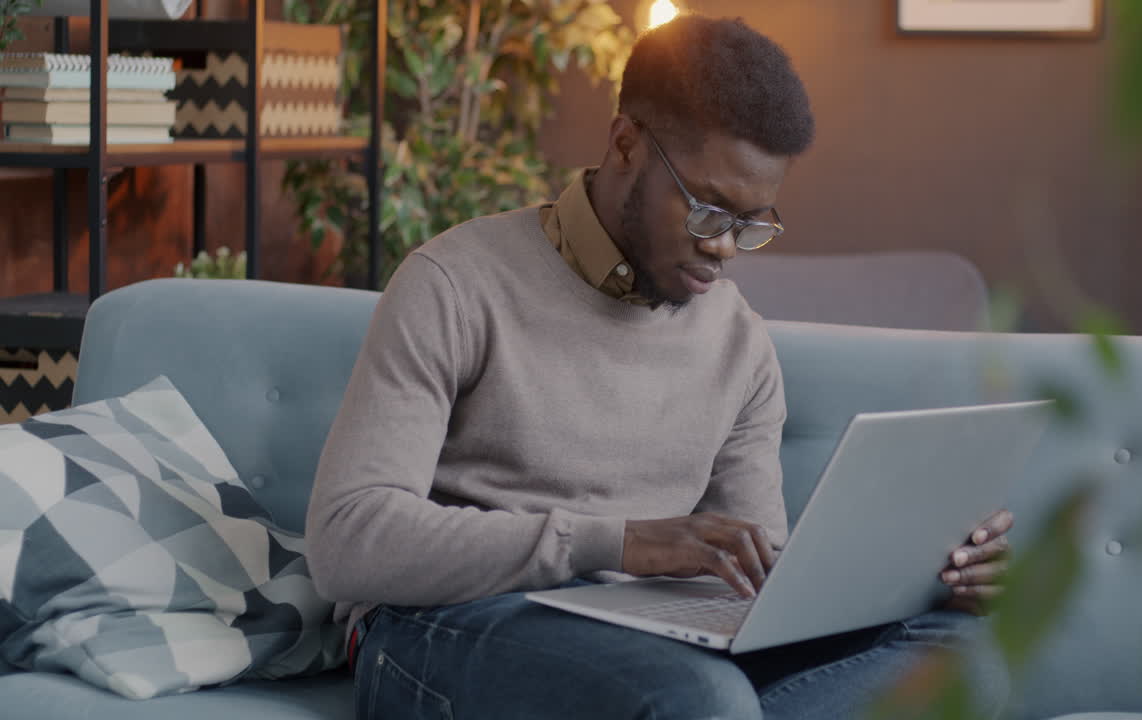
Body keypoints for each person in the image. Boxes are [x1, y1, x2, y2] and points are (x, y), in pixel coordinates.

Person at [306, 14, 1012, 720]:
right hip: (449, 622)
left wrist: (918, 580)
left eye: (753, 222)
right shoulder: (454, 284)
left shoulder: (739, 342)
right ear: (624, 146)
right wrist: (614, 541)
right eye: (709, 211)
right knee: (696, 699)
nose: (727, 248)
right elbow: (349, 539)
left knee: (965, 660)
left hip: (651, 639)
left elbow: (753, 571)